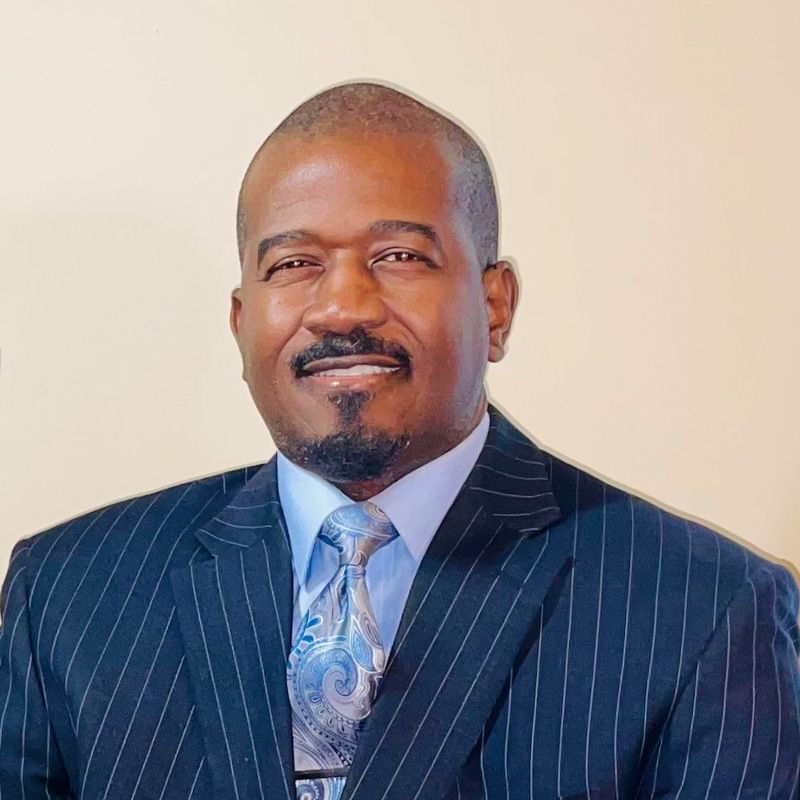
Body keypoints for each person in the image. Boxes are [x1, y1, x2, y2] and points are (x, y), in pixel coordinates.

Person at [1, 81, 798, 800]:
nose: (342, 307)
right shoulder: (67, 595)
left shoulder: (706, 609)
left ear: (495, 307)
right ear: (242, 323)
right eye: (294, 263)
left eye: (399, 256)